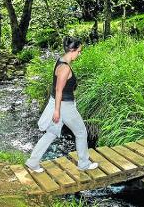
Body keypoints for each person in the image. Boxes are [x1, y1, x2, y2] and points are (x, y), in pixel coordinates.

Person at [26, 37, 98, 173]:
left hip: (59, 104)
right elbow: (59, 89)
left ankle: (32, 162)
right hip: (65, 106)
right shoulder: (65, 68)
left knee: (51, 133)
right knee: (81, 132)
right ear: (72, 50)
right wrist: (57, 111)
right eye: (79, 51)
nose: (79, 54)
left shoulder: (60, 61)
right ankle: (84, 164)